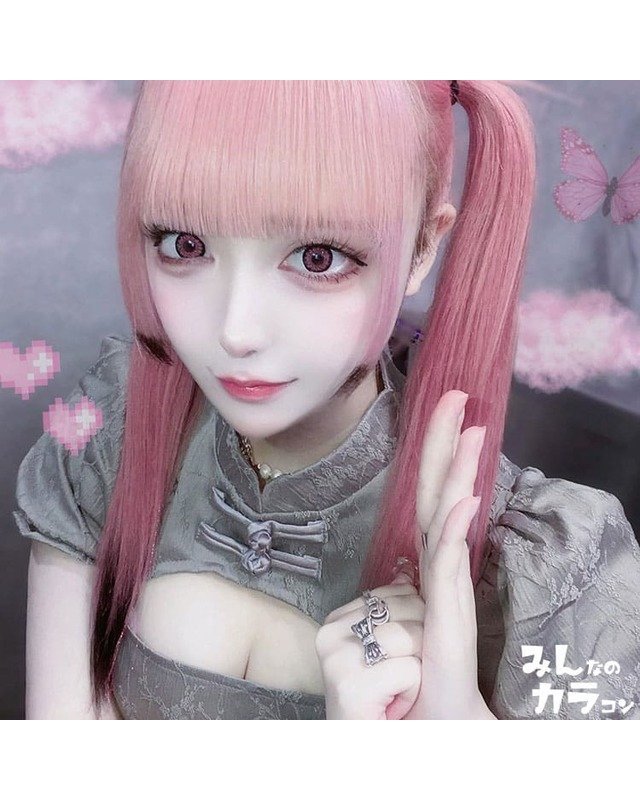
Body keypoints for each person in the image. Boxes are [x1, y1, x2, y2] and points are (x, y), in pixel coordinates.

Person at [14, 80, 640, 720]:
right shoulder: (115, 427)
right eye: (185, 245)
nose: (236, 332)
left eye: (317, 258)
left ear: (423, 247)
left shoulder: (544, 570)